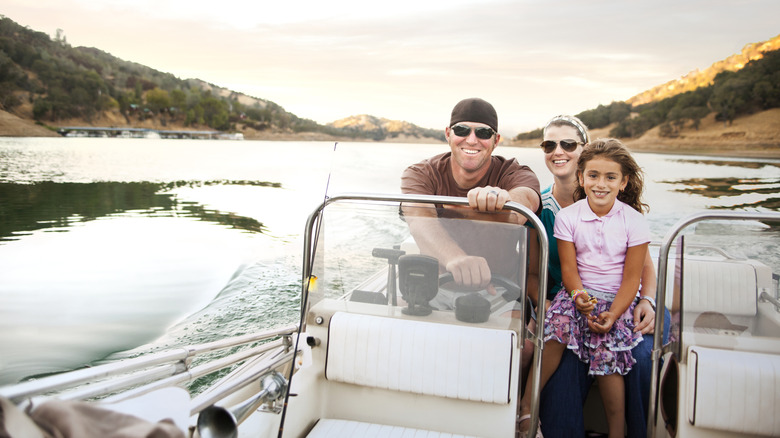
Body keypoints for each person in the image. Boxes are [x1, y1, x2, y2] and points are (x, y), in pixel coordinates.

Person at [526, 116, 670, 438]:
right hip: (572, 303)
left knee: (643, 358)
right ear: (583, 174)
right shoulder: (541, 208)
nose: (558, 151)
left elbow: (641, 269)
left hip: (625, 300)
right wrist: (555, 305)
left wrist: (647, 299)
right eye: (550, 145)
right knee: (561, 374)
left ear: (584, 150)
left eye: (568, 144)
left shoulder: (624, 210)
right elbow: (534, 274)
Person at [400, 97, 541, 309]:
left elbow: (525, 201)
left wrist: (502, 200)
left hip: (500, 292)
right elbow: (419, 219)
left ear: (496, 140)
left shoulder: (514, 173)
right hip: (433, 288)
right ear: (448, 134)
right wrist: (455, 259)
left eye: (483, 133)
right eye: (462, 130)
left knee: (523, 342)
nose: (472, 140)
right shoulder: (420, 174)